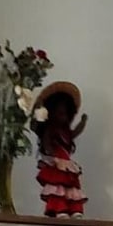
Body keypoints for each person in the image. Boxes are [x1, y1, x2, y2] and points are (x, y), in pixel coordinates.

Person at [33, 81, 88, 218]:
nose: (62, 117)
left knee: (71, 188)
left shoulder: (66, 132)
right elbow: (46, 143)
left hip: (66, 163)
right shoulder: (50, 131)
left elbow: (75, 132)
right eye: (59, 113)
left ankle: (74, 209)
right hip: (57, 162)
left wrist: (82, 123)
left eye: (65, 114)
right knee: (57, 188)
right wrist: (50, 152)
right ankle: (59, 209)